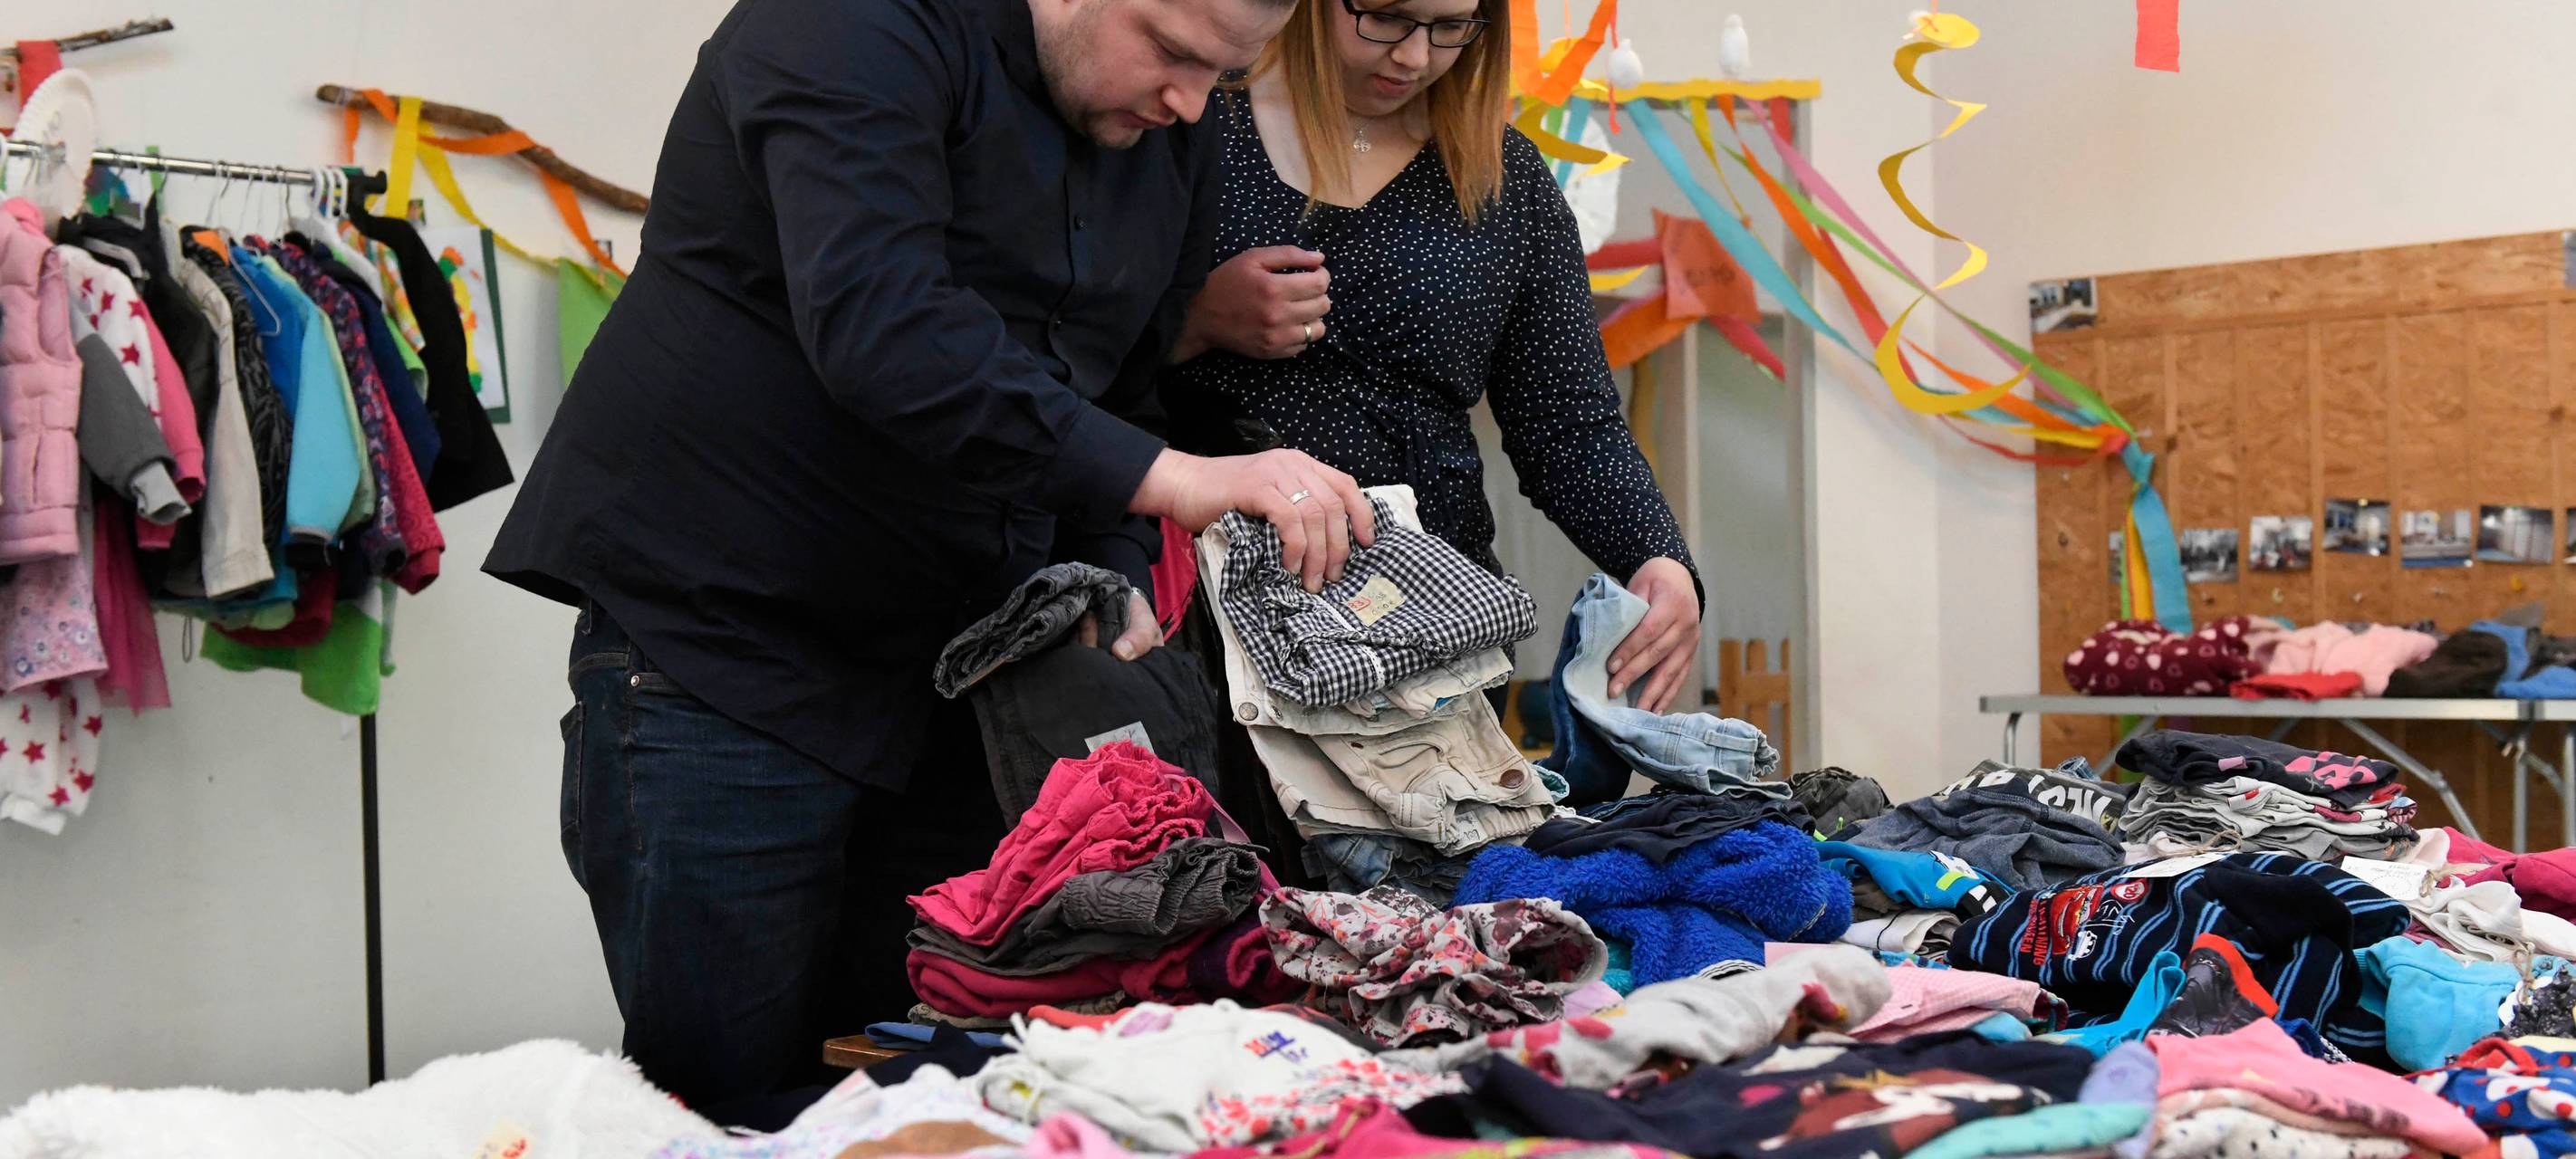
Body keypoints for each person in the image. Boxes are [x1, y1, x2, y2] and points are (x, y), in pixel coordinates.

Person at [484, 0, 1378, 1122]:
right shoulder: (848, 25)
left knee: (939, 1085)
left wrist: (1110, 568)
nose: (1190, 105)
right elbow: (886, 326)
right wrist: (1175, 480)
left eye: (1224, 79)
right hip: (730, 650)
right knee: (722, 1102)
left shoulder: (1168, 124)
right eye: (1176, 54)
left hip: (960, 676)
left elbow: (1118, 374)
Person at [1164, 0, 1706, 711]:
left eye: (1452, 26)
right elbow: (1058, 358)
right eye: (1386, 17)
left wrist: (1659, 557)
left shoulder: (1505, 178)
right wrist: (1194, 320)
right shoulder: (1194, 121)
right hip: (1212, 615)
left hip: (1433, 627)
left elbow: (1569, 424)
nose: (1416, 57)